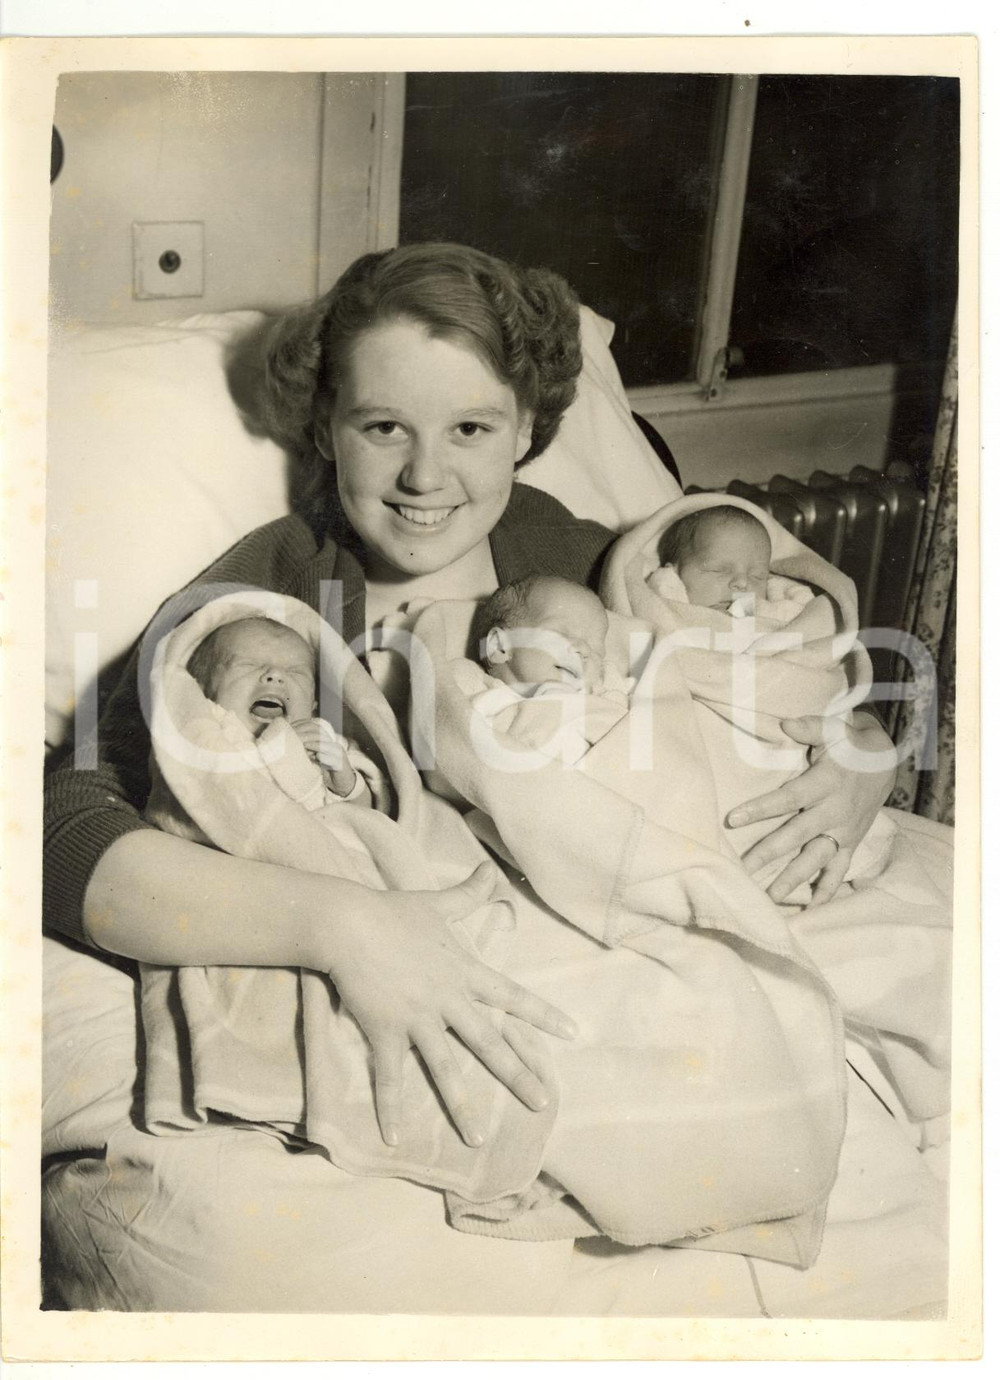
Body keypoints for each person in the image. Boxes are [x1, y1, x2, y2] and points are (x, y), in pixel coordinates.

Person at [43, 242, 900, 1308]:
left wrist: (866, 746)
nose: (425, 475)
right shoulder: (271, 586)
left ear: (527, 431)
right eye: (383, 427)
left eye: (470, 430)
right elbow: (60, 824)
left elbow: (765, 658)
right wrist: (337, 927)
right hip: (437, 923)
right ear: (325, 427)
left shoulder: (575, 548)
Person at [185, 614, 375, 807]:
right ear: (201, 689)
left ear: (312, 705)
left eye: (296, 672)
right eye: (249, 664)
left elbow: (372, 821)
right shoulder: (203, 733)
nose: (275, 675)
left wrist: (346, 785)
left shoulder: (325, 741)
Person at [460, 575, 632, 765]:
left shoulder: (607, 699)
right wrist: (550, 706)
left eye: (597, 650)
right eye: (561, 634)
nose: (584, 650)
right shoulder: (479, 696)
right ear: (500, 647)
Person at [653, 503, 813, 621]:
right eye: (718, 570)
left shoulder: (776, 613)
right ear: (674, 574)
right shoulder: (660, 615)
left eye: (757, 576)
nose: (742, 583)